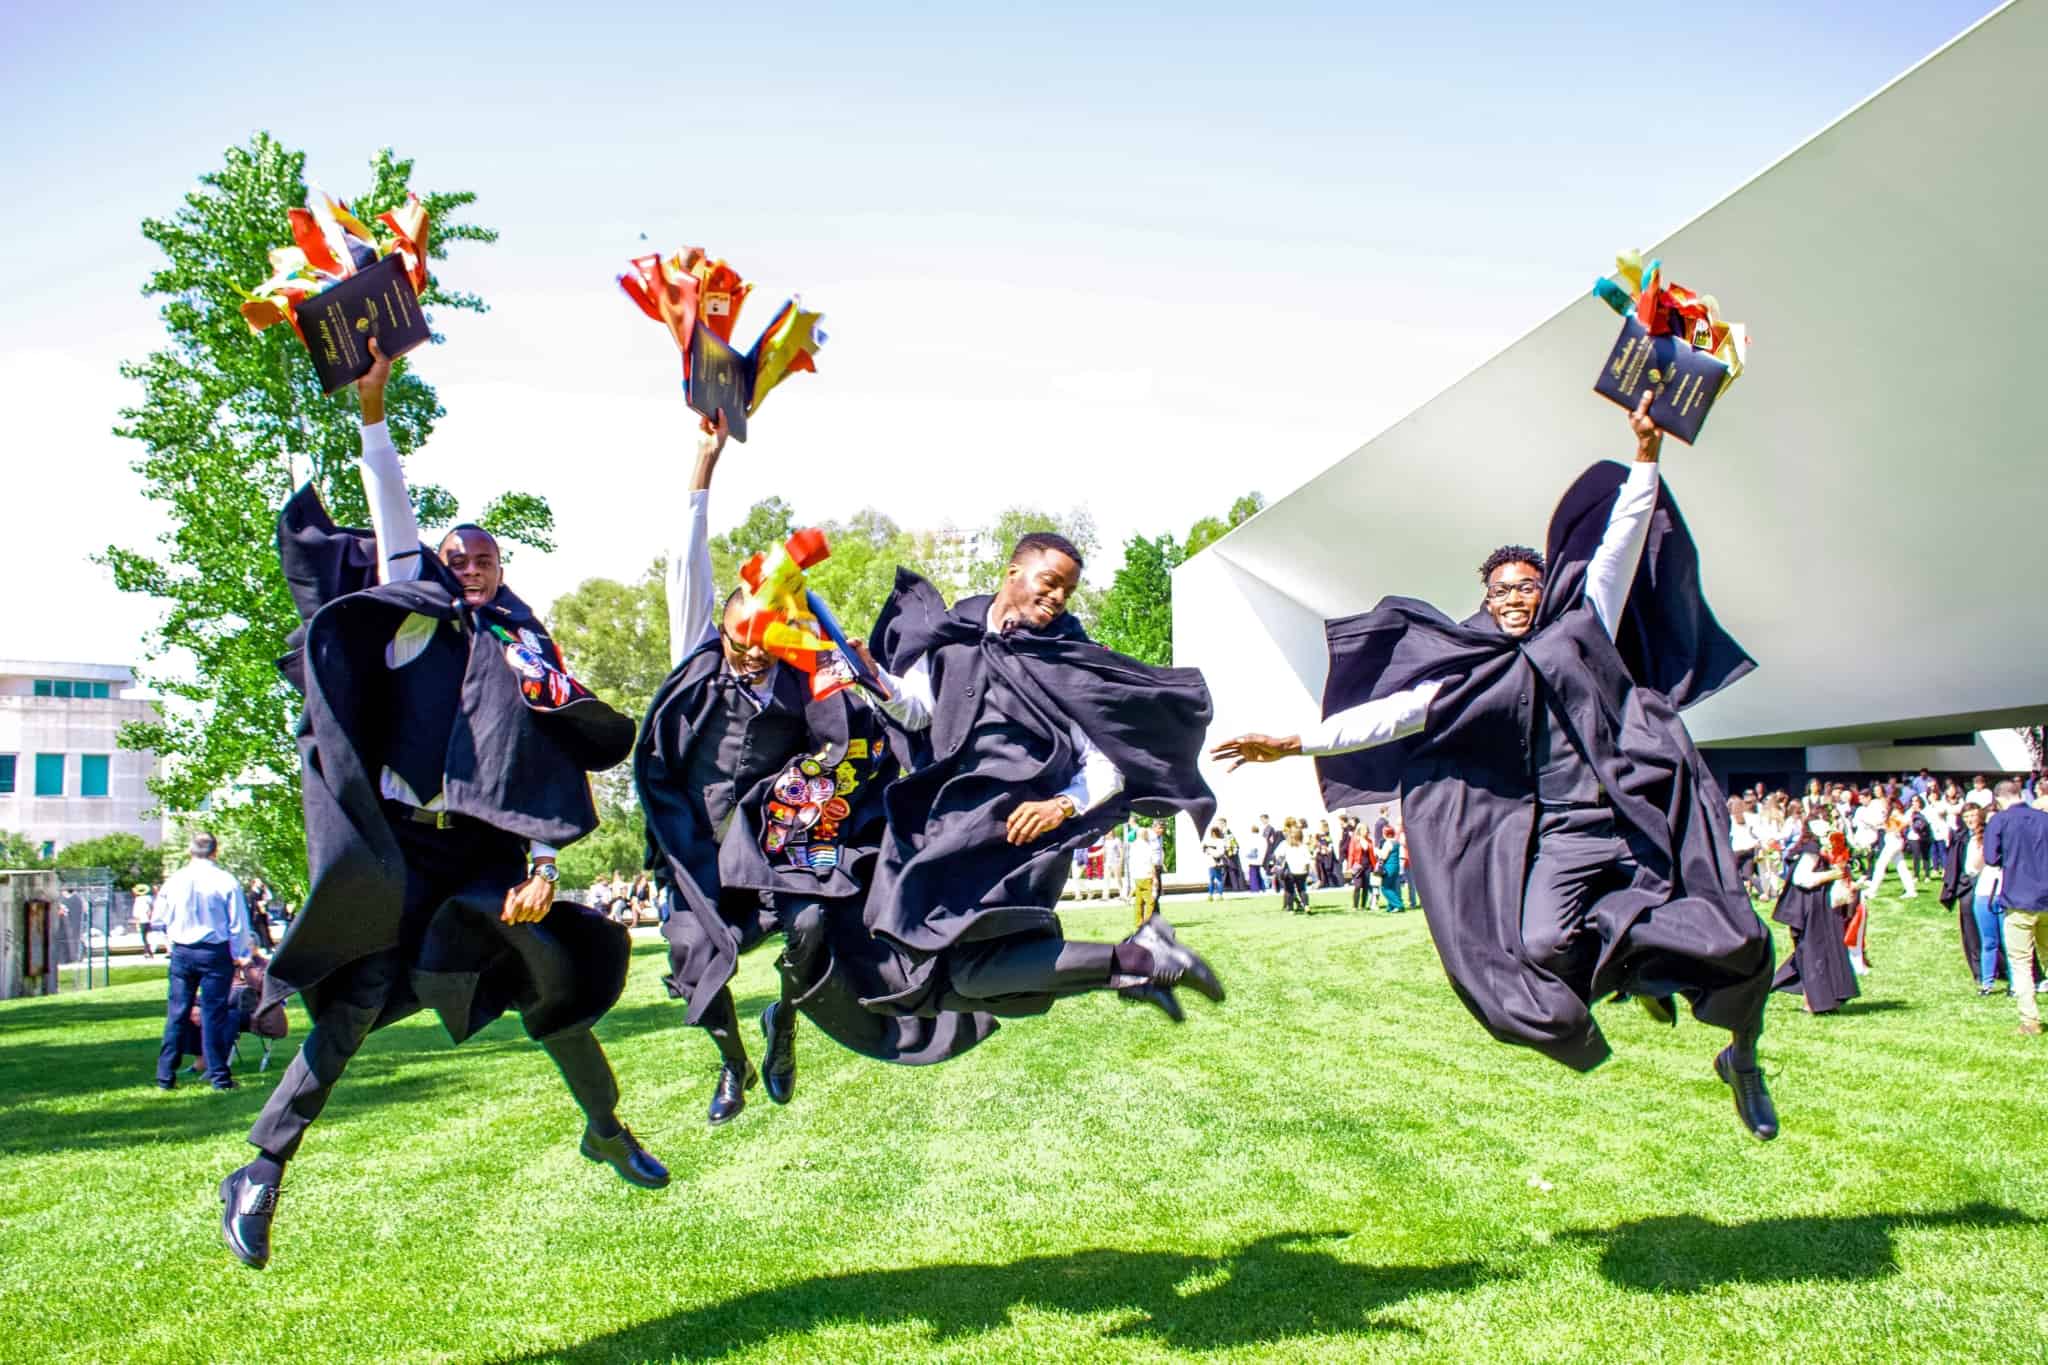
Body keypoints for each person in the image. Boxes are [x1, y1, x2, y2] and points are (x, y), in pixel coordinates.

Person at [1212, 393, 1778, 1139]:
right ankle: (1641, 972)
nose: (1517, 597)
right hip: (1568, 838)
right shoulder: (1472, 673)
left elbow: (1620, 545)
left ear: (1546, 591)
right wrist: (1295, 743)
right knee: (1544, 946)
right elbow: (1395, 713)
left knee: (1738, 938)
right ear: (1486, 599)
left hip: (1642, 814)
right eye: (1504, 589)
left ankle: (1741, 1056)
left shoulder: (1583, 626)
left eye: (1528, 585)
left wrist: (1646, 456)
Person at [222, 342, 664, 1272]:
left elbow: (541, 762)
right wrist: (374, 415)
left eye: (485, 557)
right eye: (453, 554)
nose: (467, 564)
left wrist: (545, 865)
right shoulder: (412, 612)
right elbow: (395, 523)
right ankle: (261, 1167)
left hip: (484, 857)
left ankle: (607, 1127)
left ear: (504, 570)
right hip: (398, 852)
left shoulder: (525, 651)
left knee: (552, 985)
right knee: (352, 1006)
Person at [844, 532, 1224, 1027]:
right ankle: (1139, 964)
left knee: (952, 973)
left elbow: (1106, 760)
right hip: (950, 827)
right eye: (1050, 583)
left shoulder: (1067, 659)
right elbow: (919, 713)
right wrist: (874, 677)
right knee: (958, 978)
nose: (1058, 597)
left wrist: (1061, 806)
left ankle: (1140, 963)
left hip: (1019, 835)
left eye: (1067, 590)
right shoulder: (953, 636)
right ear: (1013, 573)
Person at [638, 414, 841, 1125]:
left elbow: (849, 730)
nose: (753, 653)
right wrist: (704, 461)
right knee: (693, 955)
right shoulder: (695, 658)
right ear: (721, 627)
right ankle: (731, 1060)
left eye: (767, 641)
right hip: (699, 853)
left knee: (815, 926)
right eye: (740, 639)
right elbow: (686, 559)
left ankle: (783, 1021)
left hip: (772, 849)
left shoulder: (797, 680)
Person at [155, 833, 255, 1092]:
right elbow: (238, 924)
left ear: (190, 851)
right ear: (215, 851)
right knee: (214, 1015)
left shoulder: (175, 880)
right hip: (214, 952)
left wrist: (169, 943)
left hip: (183, 951)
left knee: (177, 1013)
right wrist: (237, 953)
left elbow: (159, 918)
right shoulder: (225, 881)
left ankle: (165, 1076)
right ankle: (219, 1076)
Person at [1769, 816, 1860, 1014]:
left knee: (1824, 951)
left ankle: (1825, 998)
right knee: (1812, 953)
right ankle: (1815, 1003)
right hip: (1809, 909)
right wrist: (1832, 875)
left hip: (1823, 906)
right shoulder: (1811, 849)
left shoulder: (1829, 847)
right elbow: (1802, 879)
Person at [1986, 780, 2048, 1036]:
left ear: (2000, 799)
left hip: (2019, 900)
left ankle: (2030, 1020)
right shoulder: (2044, 818)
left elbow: (1992, 858)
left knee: (2021, 962)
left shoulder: (2000, 821)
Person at [1128, 824, 1164, 926]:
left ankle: (1138, 922)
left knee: (1139, 901)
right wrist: (1155, 877)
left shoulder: (1133, 846)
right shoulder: (1147, 846)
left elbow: (1131, 862)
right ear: (1144, 835)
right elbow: (1151, 863)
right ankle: (1148, 922)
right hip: (1146, 876)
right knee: (1150, 900)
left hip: (1137, 877)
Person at [1276, 825, 1314, 913]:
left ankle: (1290, 908)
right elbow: (1308, 861)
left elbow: (1280, 857)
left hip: (1291, 871)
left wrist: (1278, 866)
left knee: (1290, 890)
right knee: (1302, 889)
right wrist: (1308, 872)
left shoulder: (1287, 846)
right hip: (1302, 871)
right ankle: (1306, 905)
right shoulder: (1303, 847)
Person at [131, 883, 158, 960]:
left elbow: (136, 912)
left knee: (144, 937)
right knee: (149, 936)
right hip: (150, 919)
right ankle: (148, 951)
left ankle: (148, 952)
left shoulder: (138, 900)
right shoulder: (149, 898)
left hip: (142, 919)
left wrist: (136, 921)